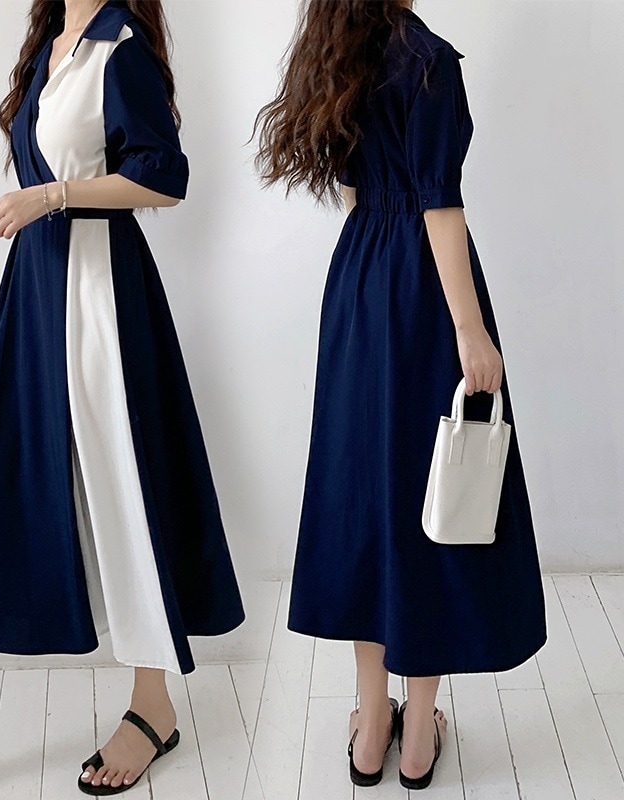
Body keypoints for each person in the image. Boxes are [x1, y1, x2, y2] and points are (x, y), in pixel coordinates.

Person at [0, 0, 244, 795]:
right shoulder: (50, 47)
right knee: (3, 490)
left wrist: (50, 196)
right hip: (36, 296)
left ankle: (152, 705)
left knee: (125, 488)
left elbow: (164, 178)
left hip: (100, 300)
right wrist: (42, 207)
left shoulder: (119, 48)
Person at [255, 0, 547, 790]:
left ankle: (370, 729)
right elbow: (439, 204)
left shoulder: (338, 49)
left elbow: (356, 190)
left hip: (359, 281)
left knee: (368, 500)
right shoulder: (428, 60)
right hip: (423, 293)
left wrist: (373, 271)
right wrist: (470, 330)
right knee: (431, 504)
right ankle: (417, 736)